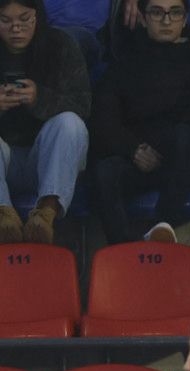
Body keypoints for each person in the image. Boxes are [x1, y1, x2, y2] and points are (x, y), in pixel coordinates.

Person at [88, 0, 190, 245]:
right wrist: (133, 149)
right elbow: (103, 119)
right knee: (105, 171)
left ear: (185, 19)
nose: (167, 20)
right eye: (157, 12)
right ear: (143, 18)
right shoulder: (122, 68)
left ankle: (163, 228)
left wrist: (177, 143)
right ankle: (121, 248)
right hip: (137, 160)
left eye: (175, 12)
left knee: (185, 137)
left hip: (187, 163)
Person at [0, 0, 89, 245]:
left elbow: (83, 106)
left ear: (37, 16)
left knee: (70, 123)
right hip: (5, 162)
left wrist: (40, 98)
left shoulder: (60, 45)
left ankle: (45, 214)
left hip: (50, 160)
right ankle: (3, 216)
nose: (16, 28)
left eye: (24, 19)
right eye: (6, 21)